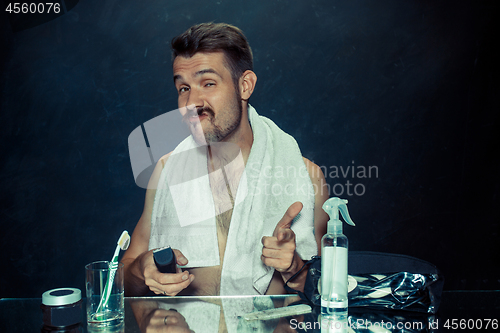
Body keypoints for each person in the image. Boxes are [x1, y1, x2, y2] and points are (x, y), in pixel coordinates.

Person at [122, 22, 329, 297]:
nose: (191, 102)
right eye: (183, 88)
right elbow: (124, 273)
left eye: (208, 83)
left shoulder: (307, 179)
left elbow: (331, 292)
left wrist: (294, 268)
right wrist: (140, 271)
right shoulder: (167, 172)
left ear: (245, 86)